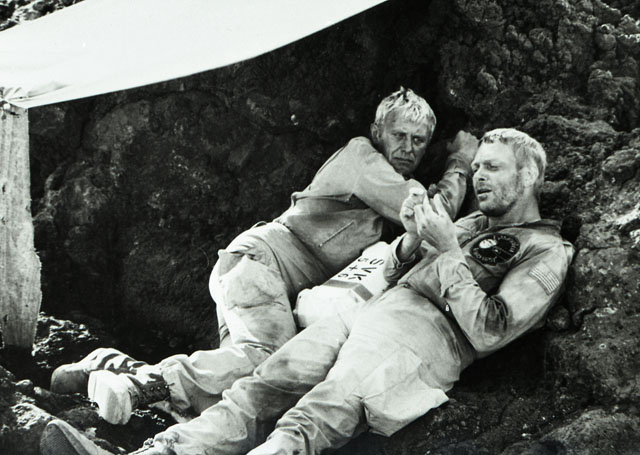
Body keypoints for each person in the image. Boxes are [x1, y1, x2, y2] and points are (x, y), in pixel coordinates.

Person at [41, 127, 574, 455]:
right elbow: (404, 265)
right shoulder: (473, 223)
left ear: (529, 176)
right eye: (476, 167)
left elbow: (491, 328)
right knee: (263, 385)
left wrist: (449, 251)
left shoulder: (547, 249)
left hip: (423, 338)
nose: (479, 177)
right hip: (373, 310)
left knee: (318, 412)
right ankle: (166, 451)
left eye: (492, 167)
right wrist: (414, 242)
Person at [48, 88, 475, 425]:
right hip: (259, 266)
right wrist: (461, 161)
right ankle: (143, 384)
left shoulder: (392, 186)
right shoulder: (363, 159)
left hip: (259, 277)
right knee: (269, 363)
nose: (407, 147)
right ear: (378, 130)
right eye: (399, 135)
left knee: (236, 387)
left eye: (418, 141)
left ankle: (108, 366)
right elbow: (434, 216)